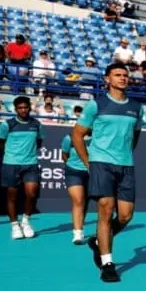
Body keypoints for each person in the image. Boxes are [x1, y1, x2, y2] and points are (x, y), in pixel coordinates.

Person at [70, 62, 143, 283]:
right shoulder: (95, 105)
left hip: (126, 165)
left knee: (126, 216)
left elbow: (136, 135)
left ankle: (97, 241)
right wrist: (88, 163)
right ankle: (108, 263)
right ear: (107, 79)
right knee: (105, 211)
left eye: (125, 75)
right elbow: (77, 135)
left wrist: (125, 155)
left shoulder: (137, 107)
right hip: (100, 164)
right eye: (117, 75)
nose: (122, 78)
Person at [0, 95, 44, 240]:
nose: (23, 110)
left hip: (31, 164)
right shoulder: (7, 124)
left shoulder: (36, 124)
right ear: (15, 109)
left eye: (25, 107)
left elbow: (39, 141)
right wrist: (12, 155)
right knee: (12, 196)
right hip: (11, 164)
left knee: (31, 193)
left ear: (29, 108)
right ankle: (15, 226)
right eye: (20, 108)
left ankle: (26, 221)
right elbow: (0, 143)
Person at [60, 105, 91, 245]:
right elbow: (64, 155)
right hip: (73, 171)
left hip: (92, 173)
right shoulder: (69, 138)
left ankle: (80, 226)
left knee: (86, 202)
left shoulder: (98, 138)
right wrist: (73, 165)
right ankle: (78, 233)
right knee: (78, 200)